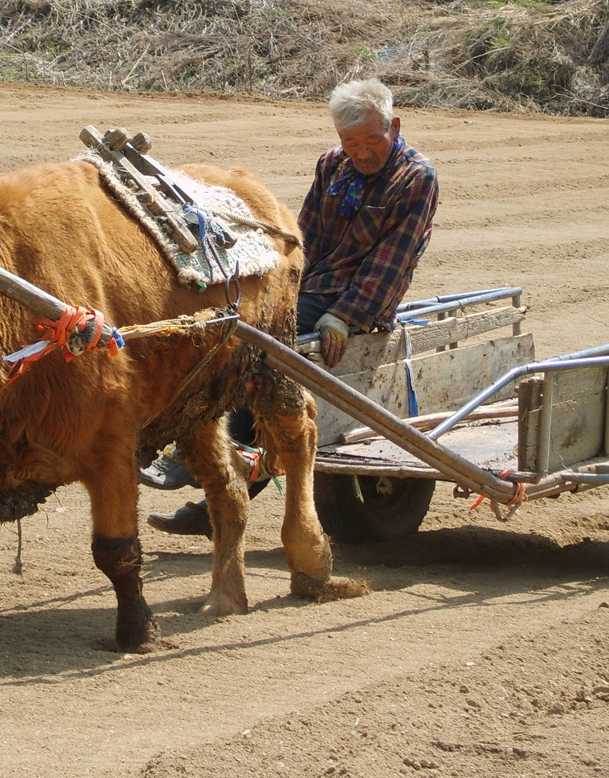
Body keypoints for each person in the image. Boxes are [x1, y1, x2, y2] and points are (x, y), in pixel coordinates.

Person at [144, 77, 439, 535]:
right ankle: (213, 473)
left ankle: (202, 457)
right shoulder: (332, 165)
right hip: (311, 286)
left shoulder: (415, 177)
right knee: (237, 316)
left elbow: (392, 262)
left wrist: (344, 315)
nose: (362, 152)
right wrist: (278, 285)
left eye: (372, 140)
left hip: (356, 303)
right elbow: (304, 237)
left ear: (395, 125)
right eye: (350, 142)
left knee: (256, 347)